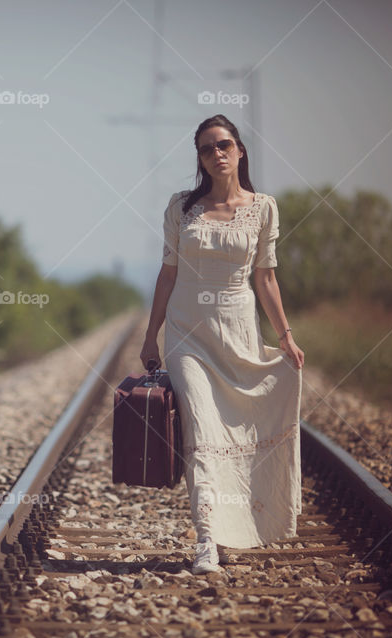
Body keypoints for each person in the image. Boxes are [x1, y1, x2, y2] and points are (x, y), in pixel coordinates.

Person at [139, 114, 305, 575]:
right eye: (208, 148)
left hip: (238, 331)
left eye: (224, 145)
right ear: (200, 158)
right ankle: (207, 539)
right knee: (201, 432)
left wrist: (286, 338)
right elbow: (168, 273)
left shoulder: (263, 207)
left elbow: (266, 278)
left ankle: (249, 522)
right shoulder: (180, 207)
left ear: (240, 151)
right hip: (187, 334)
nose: (217, 154)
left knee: (240, 431)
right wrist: (151, 334)